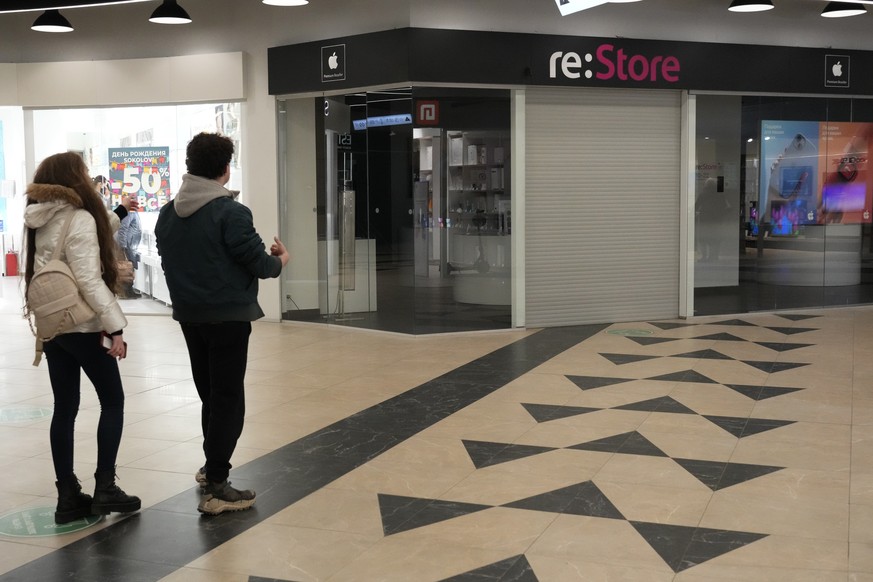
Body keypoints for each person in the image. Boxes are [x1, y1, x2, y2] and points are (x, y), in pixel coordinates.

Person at [154, 132, 289, 515]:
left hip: (190, 317)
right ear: (225, 170)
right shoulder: (232, 212)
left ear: (189, 165)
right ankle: (217, 485)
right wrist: (281, 259)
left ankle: (210, 467)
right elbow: (261, 266)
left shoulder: (167, 214)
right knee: (229, 399)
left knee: (210, 394)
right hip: (228, 317)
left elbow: (170, 263)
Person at [23, 152, 141, 525]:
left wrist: (118, 212)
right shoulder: (80, 218)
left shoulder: (38, 217)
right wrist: (116, 326)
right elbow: (89, 279)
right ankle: (105, 487)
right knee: (113, 402)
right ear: (76, 179)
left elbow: (84, 232)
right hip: (85, 326)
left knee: (65, 409)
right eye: (86, 174)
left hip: (54, 327)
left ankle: (68, 496)